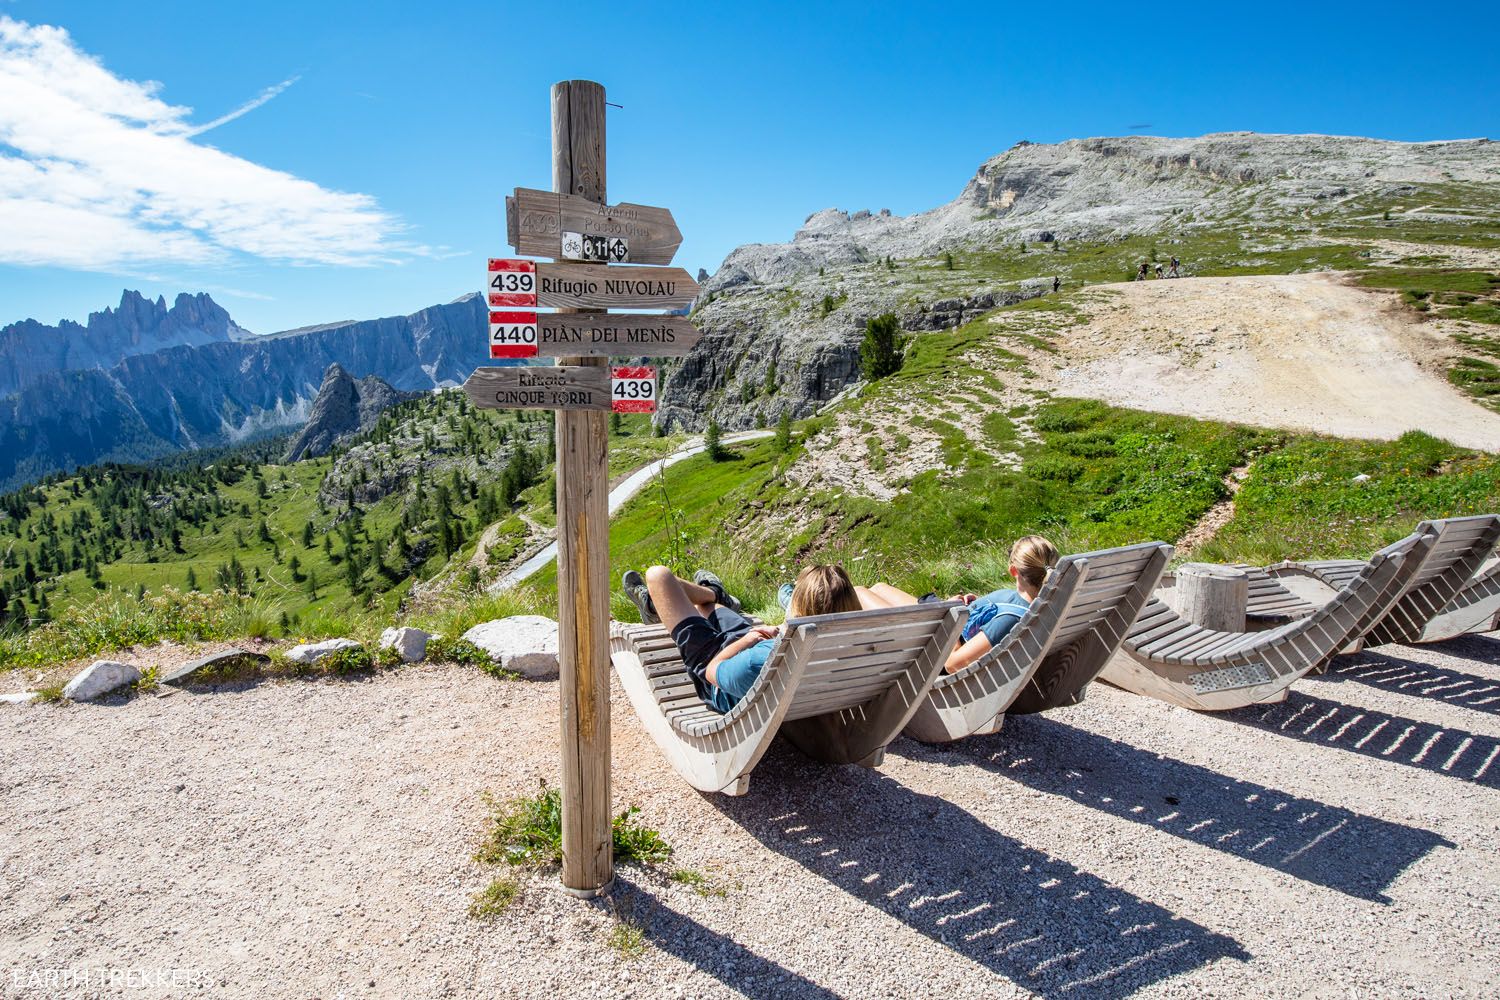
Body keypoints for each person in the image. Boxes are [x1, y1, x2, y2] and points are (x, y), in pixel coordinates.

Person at [621, 564, 861, 714]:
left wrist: (747, 641)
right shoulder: (849, 643)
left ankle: (656, 604)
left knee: (658, 576)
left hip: (716, 668)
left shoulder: (759, 659)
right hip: (753, 650)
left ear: (797, 610)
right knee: (708, 606)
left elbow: (712, 671)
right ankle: (714, 594)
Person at [857, 535, 1059, 675]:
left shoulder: (1010, 619)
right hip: (948, 621)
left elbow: (954, 664)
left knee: (858, 592)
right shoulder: (1040, 605)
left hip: (936, 638)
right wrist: (972, 606)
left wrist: (949, 615)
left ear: (1014, 571)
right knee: (879, 587)